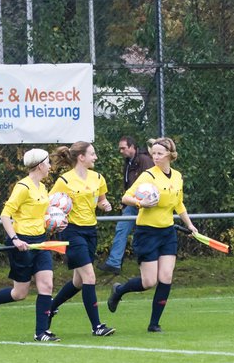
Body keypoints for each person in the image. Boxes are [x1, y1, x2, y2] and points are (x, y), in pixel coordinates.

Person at [106, 137, 199, 333]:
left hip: (167, 232)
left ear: (170, 155)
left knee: (166, 276)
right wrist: (141, 204)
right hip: (147, 233)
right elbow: (126, 197)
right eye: (153, 153)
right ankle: (119, 290)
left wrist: (190, 225)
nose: (155, 157)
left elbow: (179, 204)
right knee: (149, 282)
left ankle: (154, 324)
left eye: (159, 153)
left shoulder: (177, 177)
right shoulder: (148, 176)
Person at [0, 148, 60, 342]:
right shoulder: (23, 187)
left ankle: (41, 332)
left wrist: (54, 220)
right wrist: (15, 239)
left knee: (46, 285)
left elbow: (42, 214)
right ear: (40, 165)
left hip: (40, 241)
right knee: (20, 293)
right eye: (48, 163)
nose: (50, 166)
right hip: (21, 241)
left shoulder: (42, 187)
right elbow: (5, 215)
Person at [47, 142, 115, 337]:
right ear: (81, 157)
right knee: (89, 277)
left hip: (90, 230)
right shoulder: (64, 181)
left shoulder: (98, 178)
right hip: (72, 232)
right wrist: (56, 216)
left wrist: (105, 204)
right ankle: (97, 326)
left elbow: (101, 200)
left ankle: (51, 307)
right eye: (92, 154)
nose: (95, 157)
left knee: (78, 281)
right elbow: (50, 204)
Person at [101, 135, 154, 275]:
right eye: (120, 149)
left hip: (146, 204)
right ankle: (114, 263)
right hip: (132, 203)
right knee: (121, 228)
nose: (121, 151)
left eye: (123, 148)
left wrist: (145, 201)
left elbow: (151, 183)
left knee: (145, 234)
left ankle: (150, 262)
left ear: (132, 147)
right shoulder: (128, 162)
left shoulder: (145, 160)